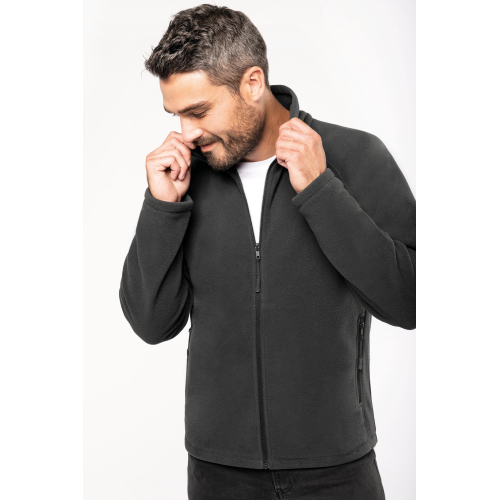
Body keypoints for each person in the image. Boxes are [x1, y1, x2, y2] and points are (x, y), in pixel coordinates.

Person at [119, 4, 415, 499]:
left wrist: (321, 190)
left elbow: (411, 301)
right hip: (218, 473)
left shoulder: (354, 155)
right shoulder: (186, 178)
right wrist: (161, 208)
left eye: (198, 111)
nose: (186, 132)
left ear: (252, 83)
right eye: (176, 115)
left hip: (335, 469)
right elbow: (152, 324)